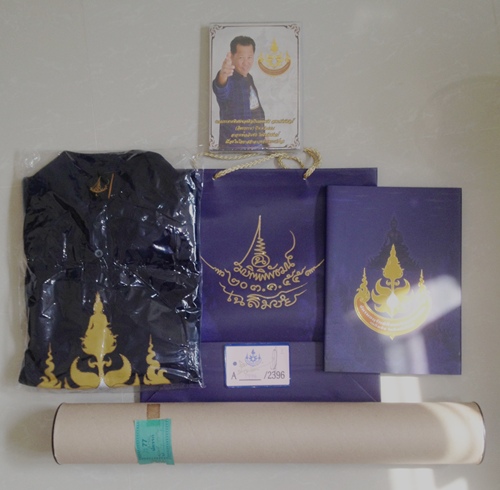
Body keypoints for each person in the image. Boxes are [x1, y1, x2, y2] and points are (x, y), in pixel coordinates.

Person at [212, 36, 266, 150]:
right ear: (232, 56)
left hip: (256, 145)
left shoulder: (249, 77)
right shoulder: (229, 79)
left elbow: (255, 110)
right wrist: (223, 75)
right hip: (234, 148)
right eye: (241, 58)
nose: (246, 63)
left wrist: (264, 138)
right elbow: (221, 90)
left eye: (249, 57)